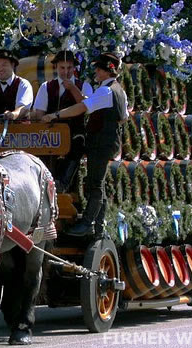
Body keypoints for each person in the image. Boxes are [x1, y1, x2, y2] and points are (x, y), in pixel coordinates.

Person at [42, 52, 128, 238]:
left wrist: (56, 115)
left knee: (95, 184)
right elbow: (124, 118)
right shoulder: (119, 90)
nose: (95, 71)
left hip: (100, 142)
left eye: (98, 68)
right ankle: (98, 225)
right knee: (98, 183)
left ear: (107, 71)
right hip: (107, 142)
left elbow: (82, 107)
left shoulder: (106, 91)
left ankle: (88, 223)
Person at [31, 50, 94, 192]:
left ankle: (62, 184)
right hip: (51, 132)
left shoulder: (83, 86)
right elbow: (40, 112)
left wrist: (73, 89)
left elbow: (87, 107)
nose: (66, 71)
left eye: (69, 68)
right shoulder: (46, 87)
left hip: (74, 131)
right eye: (62, 68)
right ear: (56, 68)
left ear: (74, 68)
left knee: (77, 145)